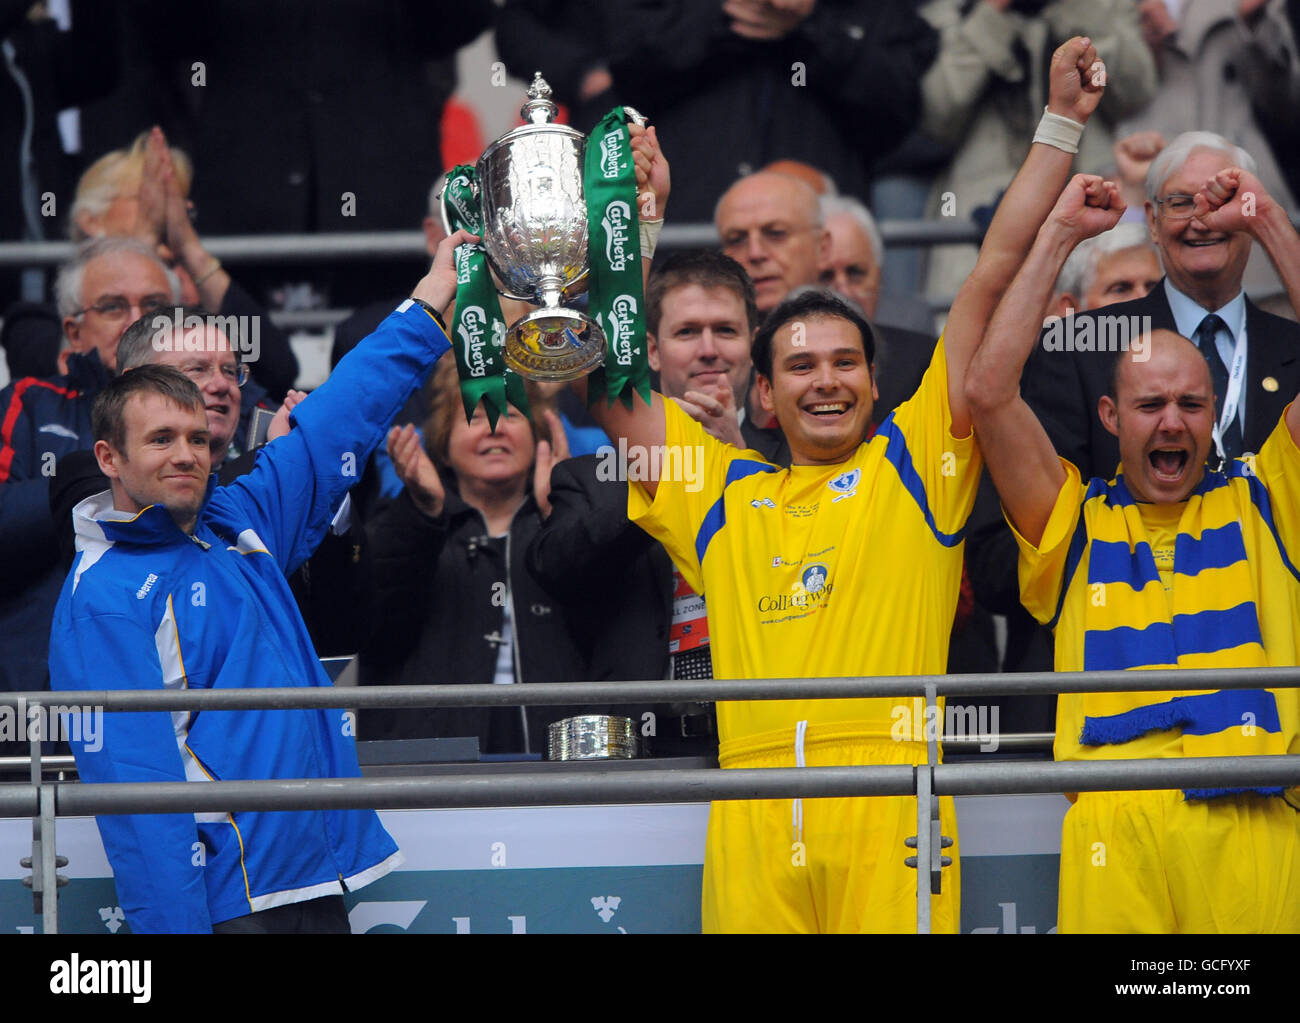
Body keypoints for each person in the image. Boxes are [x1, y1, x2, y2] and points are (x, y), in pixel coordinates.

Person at [594, 37, 1108, 932]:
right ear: (762, 392)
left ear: (878, 387)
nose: (824, 379)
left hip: (893, 802)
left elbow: (987, 272)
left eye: (844, 363)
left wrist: (1060, 122)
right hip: (752, 806)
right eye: (798, 365)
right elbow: (615, 381)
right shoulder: (716, 494)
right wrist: (635, 221)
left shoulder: (918, 465)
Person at [47, 225, 474, 934]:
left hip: (316, 879)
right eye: (161, 439)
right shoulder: (104, 597)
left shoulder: (238, 515)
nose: (186, 454)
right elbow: (139, 809)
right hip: (230, 909)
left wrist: (433, 293)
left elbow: (346, 409)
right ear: (109, 456)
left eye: (198, 438)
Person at [965, 166, 1300, 933]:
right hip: (1113, 822)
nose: (1173, 423)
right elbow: (988, 390)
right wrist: (1057, 235)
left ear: (1215, 408)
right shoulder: (1074, 520)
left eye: (1190, 402)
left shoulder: (1266, 499)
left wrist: (1268, 220)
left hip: (1253, 810)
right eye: (1151, 404)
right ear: (1111, 416)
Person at [528, 250, 761, 754]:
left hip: (773, 727)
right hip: (640, 745)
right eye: (686, 332)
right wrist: (658, 464)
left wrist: (739, 463)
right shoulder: (592, 473)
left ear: (753, 344)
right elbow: (556, 571)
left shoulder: (803, 461)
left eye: (725, 330)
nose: (707, 350)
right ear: (651, 351)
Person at [1022, 131, 1300, 483]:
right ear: (1152, 221)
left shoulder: (1292, 345)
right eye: (1181, 203)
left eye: (1222, 202)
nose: (1201, 221)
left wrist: (1268, 219)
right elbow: (1043, 504)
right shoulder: (1080, 341)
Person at [356, 361, 583, 753]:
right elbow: (377, 633)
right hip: (434, 771)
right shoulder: (405, 523)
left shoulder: (569, 521)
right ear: (442, 441)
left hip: (562, 761)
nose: (494, 427)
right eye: (474, 416)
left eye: (510, 413)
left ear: (538, 435)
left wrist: (565, 512)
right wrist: (422, 514)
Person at [0, 238, 180, 697]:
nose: (138, 319)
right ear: (74, 331)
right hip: (42, 701)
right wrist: (113, 477)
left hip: (189, 700)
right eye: (114, 306)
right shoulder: (29, 402)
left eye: (155, 305)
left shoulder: (220, 402)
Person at [602, 0, 938, 222]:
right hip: (688, 235)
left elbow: (896, 117)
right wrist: (722, 17)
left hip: (817, 245)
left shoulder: (870, 10)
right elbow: (624, 67)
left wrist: (812, 27)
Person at [918, 0, 1156, 304]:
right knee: (972, 312)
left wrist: (1078, 14)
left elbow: (1136, 91)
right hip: (976, 195)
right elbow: (938, 113)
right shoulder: (953, 7)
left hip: (1089, 188)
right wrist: (992, 12)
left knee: (1099, 320)